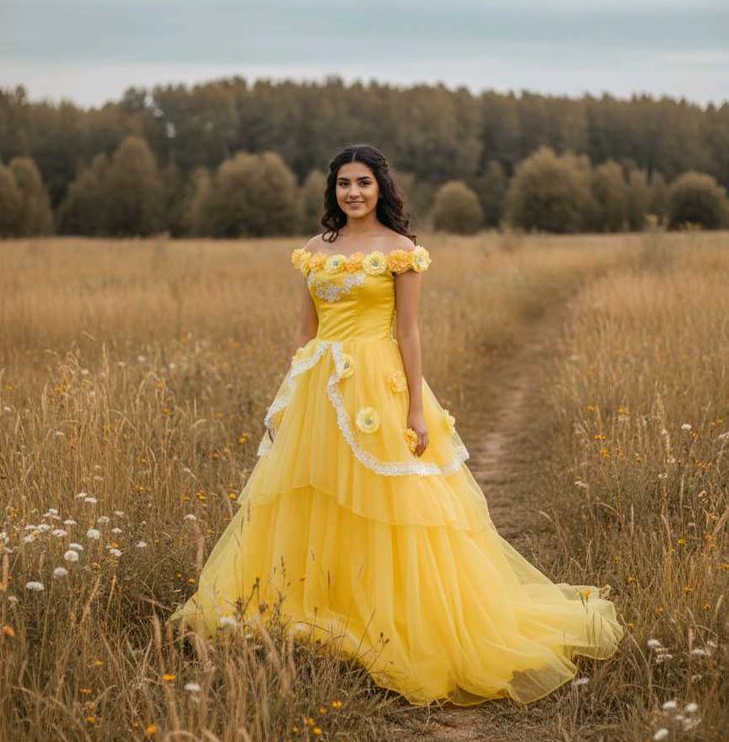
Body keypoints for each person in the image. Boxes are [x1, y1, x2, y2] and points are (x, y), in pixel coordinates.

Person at [169, 143, 625, 706]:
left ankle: (397, 619)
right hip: (318, 388)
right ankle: (326, 609)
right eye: (343, 184)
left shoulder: (402, 251)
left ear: (381, 187)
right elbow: (305, 333)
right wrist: (287, 398)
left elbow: (408, 332)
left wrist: (414, 407)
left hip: (376, 386)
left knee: (389, 501)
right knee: (313, 498)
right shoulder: (315, 251)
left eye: (363, 182)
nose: (353, 192)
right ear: (332, 191)